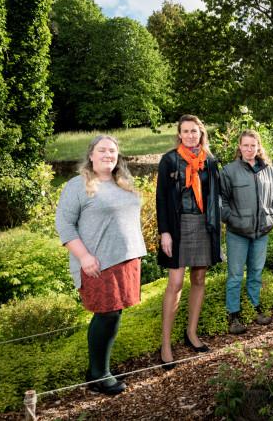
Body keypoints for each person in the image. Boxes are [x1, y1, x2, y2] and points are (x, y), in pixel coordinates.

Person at [56, 135, 146, 395]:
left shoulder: (123, 184)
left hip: (126, 258)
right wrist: (83, 256)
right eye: (102, 150)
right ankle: (98, 374)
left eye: (113, 151)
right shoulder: (78, 185)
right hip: (97, 262)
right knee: (106, 315)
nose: (108, 154)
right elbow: (64, 225)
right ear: (91, 155)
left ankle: (98, 369)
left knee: (114, 313)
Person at [156, 115, 224, 368]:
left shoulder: (210, 161)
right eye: (185, 131)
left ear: (201, 133)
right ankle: (165, 344)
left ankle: (191, 333)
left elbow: (215, 197)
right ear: (180, 134)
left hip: (203, 224)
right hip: (178, 225)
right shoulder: (169, 160)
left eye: (194, 131)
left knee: (199, 279)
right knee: (175, 282)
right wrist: (165, 232)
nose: (190, 135)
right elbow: (161, 199)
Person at [222, 130, 273, 334]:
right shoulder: (229, 171)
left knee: (256, 273)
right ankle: (234, 315)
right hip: (237, 232)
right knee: (235, 275)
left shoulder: (268, 170)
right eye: (245, 145)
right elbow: (221, 199)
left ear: (258, 147)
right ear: (239, 147)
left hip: (261, 231)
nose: (249, 149)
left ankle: (253, 308)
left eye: (253, 145)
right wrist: (231, 219)